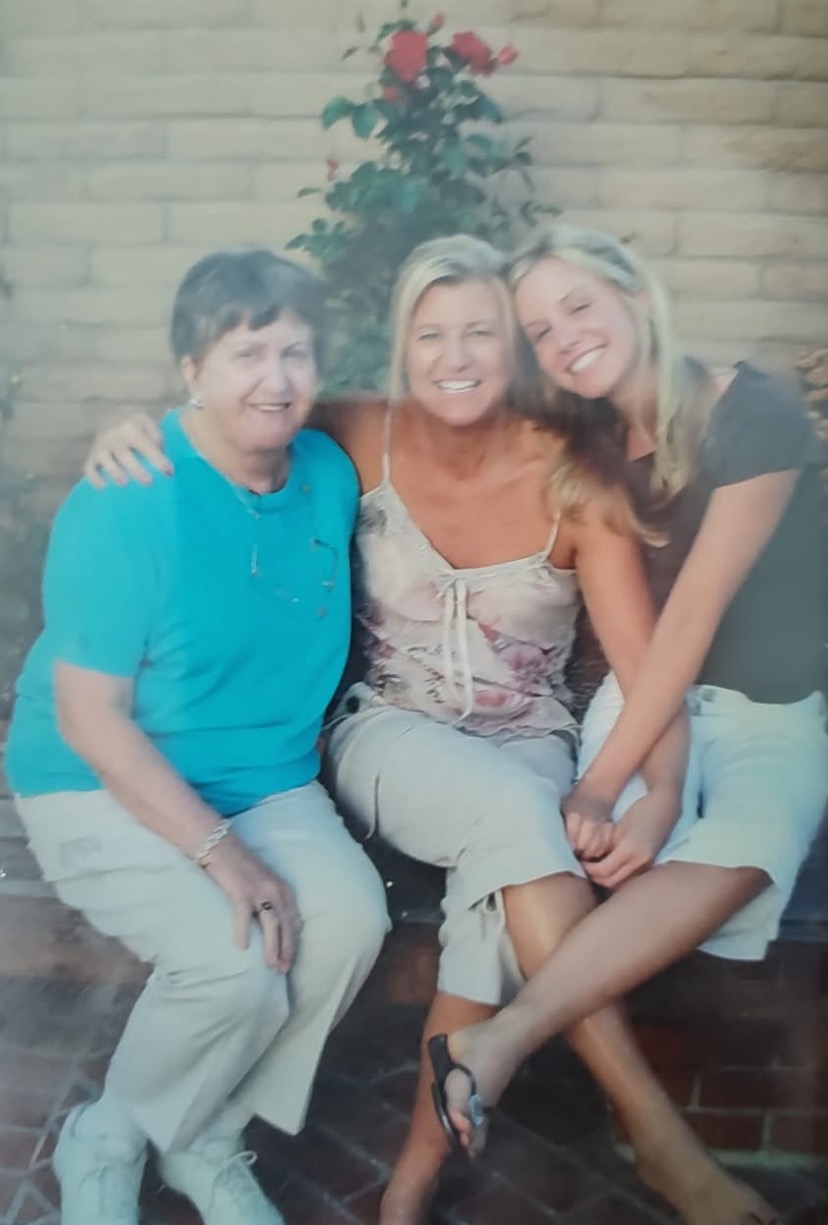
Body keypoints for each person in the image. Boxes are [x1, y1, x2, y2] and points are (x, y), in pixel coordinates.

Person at [81, 234, 781, 1225]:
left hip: (528, 734)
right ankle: (655, 1130)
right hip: (389, 732)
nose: (455, 357)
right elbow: (234, 410)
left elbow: (644, 667)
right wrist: (130, 428)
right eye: (430, 334)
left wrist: (661, 788)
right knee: (522, 819)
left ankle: (408, 1186)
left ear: (516, 351)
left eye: (482, 333)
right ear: (400, 346)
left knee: (499, 891)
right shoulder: (361, 431)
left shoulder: (575, 482)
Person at [419, 225, 828, 1199]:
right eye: (538, 330)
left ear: (635, 297)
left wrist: (612, 784)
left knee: (752, 845)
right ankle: (649, 1131)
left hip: (772, 706)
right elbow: (652, 657)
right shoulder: (584, 439)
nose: (564, 338)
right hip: (646, 698)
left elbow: (693, 614)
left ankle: (501, 1038)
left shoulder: (752, 414)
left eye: (578, 306)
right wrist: (635, 783)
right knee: (583, 856)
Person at [4, 247, 390, 1225]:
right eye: (245, 354)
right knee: (232, 968)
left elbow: (438, 410)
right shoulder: (128, 495)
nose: (276, 379)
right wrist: (225, 856)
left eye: (296, 353)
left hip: (263, 775)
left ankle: (205, 1135)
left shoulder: (327, 468)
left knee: (351, 923)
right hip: (98, 779)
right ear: (190, 371)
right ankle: (105, 1138)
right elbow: (91, 716)